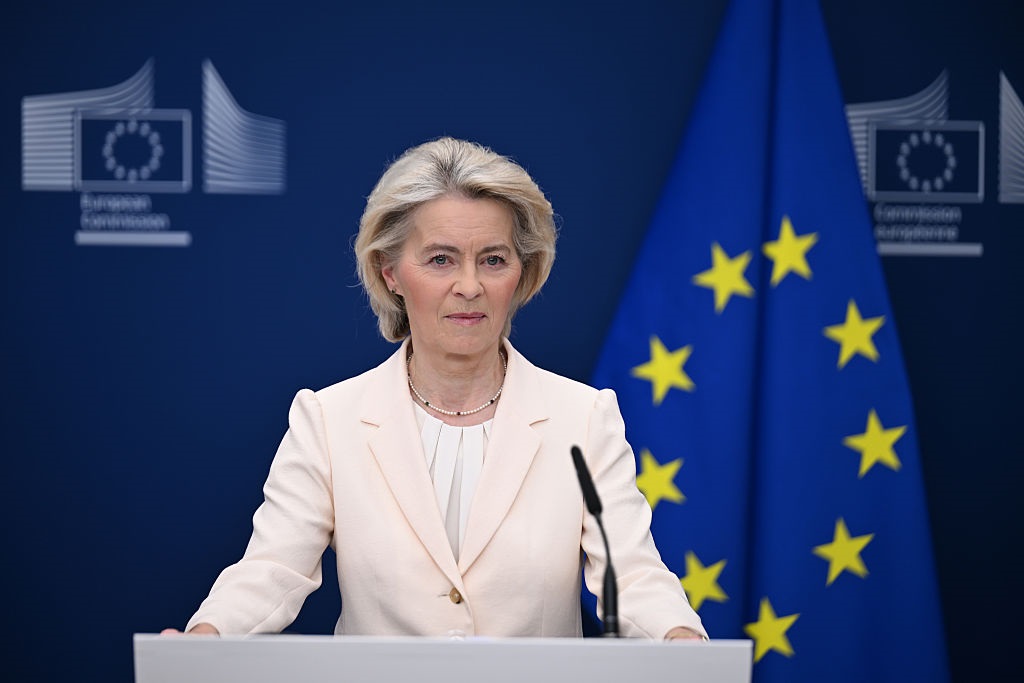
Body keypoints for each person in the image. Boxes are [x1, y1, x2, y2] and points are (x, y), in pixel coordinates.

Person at [165, 137, 707, 640]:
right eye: (441, 259)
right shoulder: (329, 419)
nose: (469, 286)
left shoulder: (583, 417)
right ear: (390, 273)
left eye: (493, 260)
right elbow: (272, 569)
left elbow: (631, 575)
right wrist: (207, 638)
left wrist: (680, 641)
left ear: (522, 273)